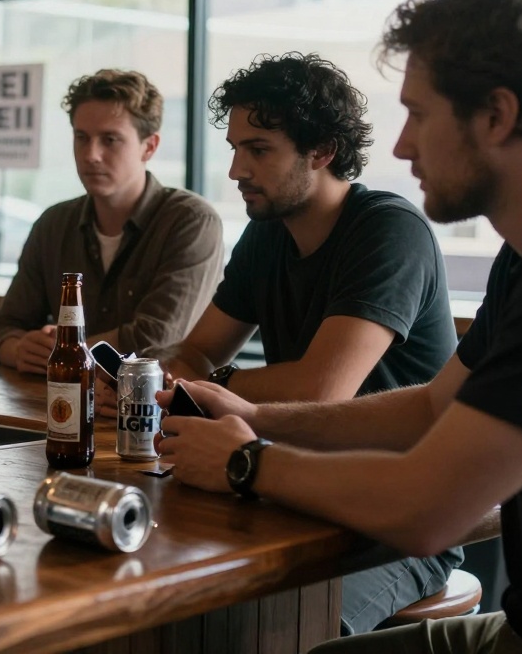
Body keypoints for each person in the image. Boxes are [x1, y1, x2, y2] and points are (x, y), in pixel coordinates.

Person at [163, 0, 522, 654]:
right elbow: (432, 406)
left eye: (418, 113)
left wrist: (249, 462)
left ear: (496, 115)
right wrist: (258, 418)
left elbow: (427, 511)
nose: (403, 145)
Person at [138, 53, 461, 635]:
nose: (236, 169)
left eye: (258, 149)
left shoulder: (389, 231)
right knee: (159, 597)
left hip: (395, 520)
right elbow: (194, 353)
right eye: (234, 147)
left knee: (270, 628)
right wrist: (177, 381)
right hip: (291, 487)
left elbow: (323, 386)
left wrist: (211, 387)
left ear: (322, 152)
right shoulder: (267, 233)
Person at [0, 69, 224, 372]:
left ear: (149, 147)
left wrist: (66, 354)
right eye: (81, 138)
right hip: (63, 401)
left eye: (110, 140)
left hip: (153, 410)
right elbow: (3, 328)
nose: (91, 155)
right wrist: (19, 349)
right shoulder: (53, 223)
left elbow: (156, 339)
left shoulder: (191, 221)